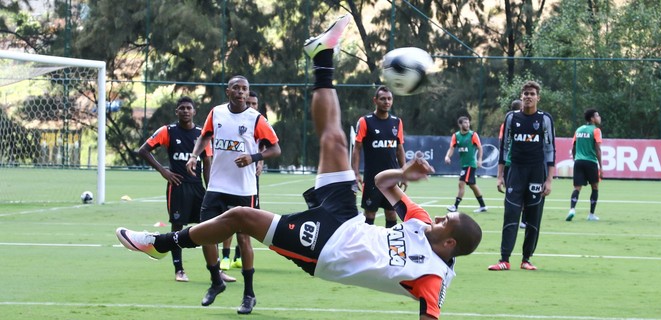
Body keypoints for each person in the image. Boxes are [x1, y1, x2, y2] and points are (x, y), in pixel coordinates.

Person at [116, 14, 482, 319]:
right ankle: (323, 56)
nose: (436, 218)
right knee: (334, 138)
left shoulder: (432, 277)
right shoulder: (419, 223)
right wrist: (403, 175)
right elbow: (384, 184)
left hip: (327, 249)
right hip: (347, 218)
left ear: (449, 243)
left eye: (444, 222)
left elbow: (430, 313)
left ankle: (162, 244)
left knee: (242, 216)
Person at [184, 75, 282, 313]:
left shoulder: (255, 119)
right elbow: (205, 135)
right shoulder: (216, 113)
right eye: (236, 88)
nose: (240, 92)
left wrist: (253, 157)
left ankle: (249, 294)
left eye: (244, 89)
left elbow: (275, 149)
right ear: (227, 91)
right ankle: (216, 281)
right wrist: (195, 155)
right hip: (217, 185)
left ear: (248, 93)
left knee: (243, 238)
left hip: (243, 188)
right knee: (204, 233)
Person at [137, 96, 212, 282]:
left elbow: (208, 162)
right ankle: (179, 270)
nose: (185, 111)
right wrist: (164, 171)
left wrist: (210, 188)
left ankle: (215, 270)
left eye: (189, 108)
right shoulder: (167, 131)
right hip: (177, 187)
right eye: (182, 108)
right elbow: (143, 150)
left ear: (194, 112)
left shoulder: (202, 135)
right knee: (177, 228)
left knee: (209, 227)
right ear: (176, 112)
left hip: (198, 188)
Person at [490, 81, 555, 271]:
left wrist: (549, 179)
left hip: (536, 172)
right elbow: (504, 148)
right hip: (515, 172)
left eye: (532, 93)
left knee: (534, 216)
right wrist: (500, 175)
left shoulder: (545, 119)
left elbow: (551, 149)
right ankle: (504, 259)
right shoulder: (511, 118)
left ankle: (526, 259)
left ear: (538, 97)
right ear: (521, 96)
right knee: (511, 213)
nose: (528, 96)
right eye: (525, 93)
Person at [351, 85, 406, 228]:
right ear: (375, 100)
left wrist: (404, 172)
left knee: (392, 213)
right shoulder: (365, 121)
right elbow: (356, 149)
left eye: (389, 99)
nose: (386, 102)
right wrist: (355, 173)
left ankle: (389, 248)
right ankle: (365, 246)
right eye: (383, 99)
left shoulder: (397, 122)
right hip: (372, 178)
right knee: (369, 214)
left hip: (391, 176)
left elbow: (399, 149)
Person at [220, 91, 264, 270]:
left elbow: (264, 147)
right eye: (250, 102)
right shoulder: (229, 119)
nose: (252, 106)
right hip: (229, 178)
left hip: (249, 181)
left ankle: (239, 256)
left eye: (255, 104)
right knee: (228, 218)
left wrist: (259, 162)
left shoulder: (259, 122)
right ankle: (225, 256)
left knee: (247, 220)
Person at [566, 109, 603, 222]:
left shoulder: (579, 129)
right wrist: (601, 166)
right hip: (590, 162)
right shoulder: (596, 130)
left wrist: (575, 159)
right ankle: (591, 215)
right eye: (597, 115)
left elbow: (573, 148)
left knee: (577, 188)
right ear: (592, 118)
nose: (599, 117)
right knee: (595, 187)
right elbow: (597, 149)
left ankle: (572, 209)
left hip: (578, 161)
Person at [444, 116, 487, 213]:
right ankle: (483, 206)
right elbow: (451, 148)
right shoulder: (456, 136)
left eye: (468, 122)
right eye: (465, 123)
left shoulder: (473, 135)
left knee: (461, 183)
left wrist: (480, 159)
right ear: (460, 124)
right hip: (464, 164)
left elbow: (480, 148)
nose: (467, 124)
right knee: (472, 185)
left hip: (470, 164)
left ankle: (455, 206)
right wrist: (447, 156)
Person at [498, 100, 527, 228]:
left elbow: (501, 143)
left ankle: (512, 219)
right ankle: (520, 220)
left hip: (511, 163)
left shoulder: (506, 124)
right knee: (519, 193)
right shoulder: (512, 122)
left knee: (511, 193)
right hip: (516, 162)